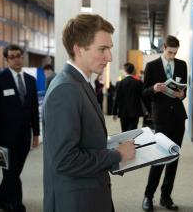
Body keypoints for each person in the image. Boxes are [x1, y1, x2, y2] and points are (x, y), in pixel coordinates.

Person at [42, 14, 136, 212]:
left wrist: (111, 147)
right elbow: (65, 160)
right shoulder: (65, 89)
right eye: (102, 49)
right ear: (78, 49)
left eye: (109, 49)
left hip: (90, 193)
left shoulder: (80, 83)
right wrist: (116, 155)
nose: (109, 57)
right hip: (76, 201)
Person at [0, 44, 40, 212]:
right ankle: (16, 205)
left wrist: (36, 133)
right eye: (12, 57)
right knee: (11, 172)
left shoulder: (30, 81)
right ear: (7, 60)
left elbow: (33, 109)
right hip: (4, 136)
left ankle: (1, 198)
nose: (17, 59)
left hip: (24, 136)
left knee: (15, 171)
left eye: (19, 56)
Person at [141, 35, 187, 211]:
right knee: (158, 158)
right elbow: (144, 93)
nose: (172, 56)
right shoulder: (151, 66)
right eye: (170, 52)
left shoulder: (182, 65)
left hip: (178, 118)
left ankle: (166, 197)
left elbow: (184, 91)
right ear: (164, 47)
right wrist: (154, 88)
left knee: (173, 158)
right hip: (161, 119)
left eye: (175, 53)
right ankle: (148, 196)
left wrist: (182, 95)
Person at [112, 63, 144, 132]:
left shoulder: (119, 83)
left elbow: (116, 99)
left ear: (124, 71)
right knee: (133, 131)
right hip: (135, 112)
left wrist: (114, 113)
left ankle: (125, 143)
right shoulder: (138, 83)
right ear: (133, 71)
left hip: (123, 112)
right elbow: (143, 97)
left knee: (124, 132)